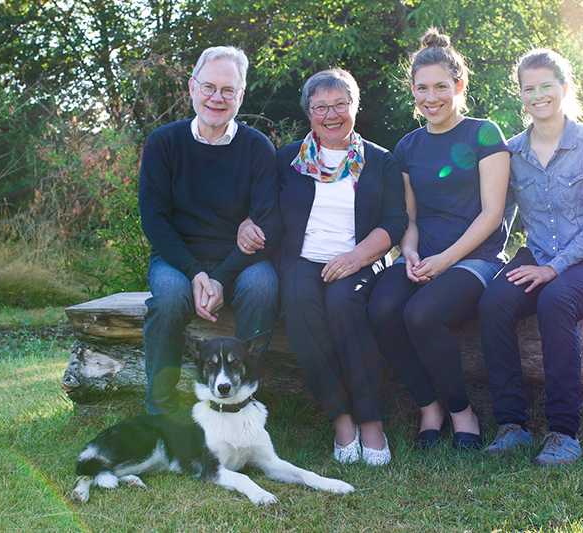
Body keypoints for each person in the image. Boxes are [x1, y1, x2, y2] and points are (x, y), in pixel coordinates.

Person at [242, 68, 406, 465]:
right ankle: (342, 418)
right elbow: (260, 207)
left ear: (355, 107)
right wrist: (248, 222)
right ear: (308, 112)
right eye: (320, 107)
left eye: (340, 105)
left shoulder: (381, 161)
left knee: (345, 307)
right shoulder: (287, 160)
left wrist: (356, 257)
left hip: (358, 259)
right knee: (298, 305)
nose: (331, 115)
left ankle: (371, 421)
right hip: (301, 259)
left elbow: (395, 222)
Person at [367, 29, 511, 452]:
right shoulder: (407, 146)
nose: (432, 98)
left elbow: (492, 215)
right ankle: (428, 406)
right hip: (421, 255)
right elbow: (409, 218)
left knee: (422, 314)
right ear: (412, 90)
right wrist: (408, 252)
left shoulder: (485, 134)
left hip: (474, 260)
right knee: (381, 308)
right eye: (422, 89)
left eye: (441, 87)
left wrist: (445, 260)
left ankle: (462, 410)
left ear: (459, 86)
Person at [478, 48, 583, 466]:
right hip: (536, 253)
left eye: (546, 86)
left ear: (564, 88)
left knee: (555, 300)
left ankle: (563, 433)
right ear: (520, 94)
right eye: (528, 88)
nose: (537, 95)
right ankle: (513, 426)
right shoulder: (512, 152)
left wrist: (552, 270)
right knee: (493, 302)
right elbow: (496, 216)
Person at [138, 46, 281, 415]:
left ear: (241, 95)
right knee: (168, 300)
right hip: (177, 259)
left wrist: (218, 277)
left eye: (228, 90)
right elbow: (155, 220)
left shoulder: (257, 147)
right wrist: (196, 273)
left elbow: (269, 223)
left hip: (241, 262)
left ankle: (243, 402)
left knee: (264, 287)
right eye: (209, 87)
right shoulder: (163, 143)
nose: (217, 98)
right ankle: (162, 413)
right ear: (192, 87)